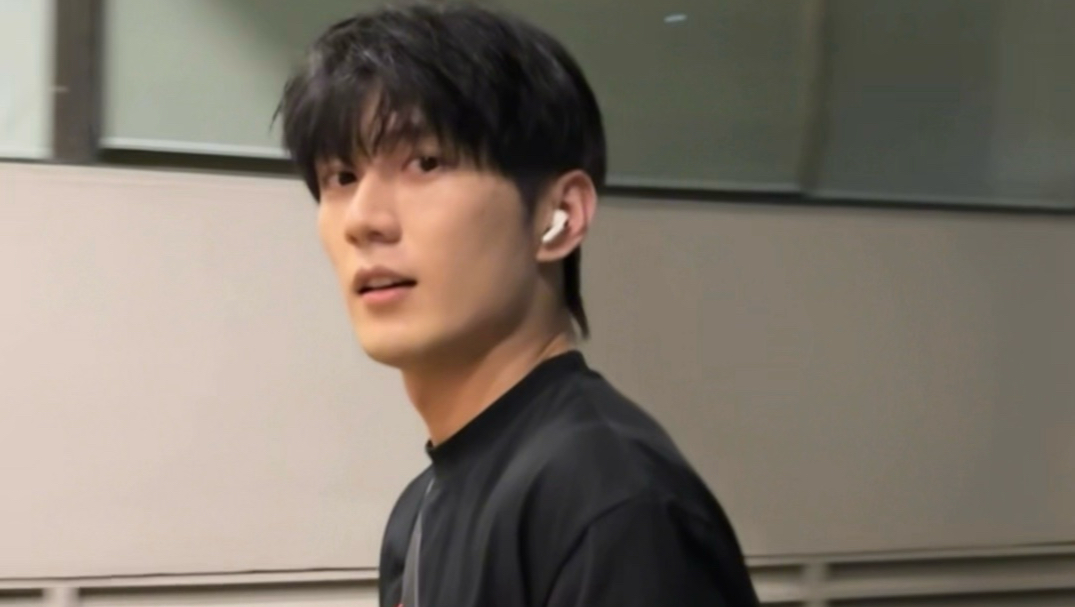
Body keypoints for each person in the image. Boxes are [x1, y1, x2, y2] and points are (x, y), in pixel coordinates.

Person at [276, 2, 760, 605]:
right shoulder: (420, 512)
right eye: (341, 177)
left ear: (561, 217)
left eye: (426, 163)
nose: (363, 220)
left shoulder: (611, 500)